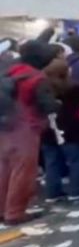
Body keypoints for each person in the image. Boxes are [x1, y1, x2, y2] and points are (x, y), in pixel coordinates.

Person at [0, 41, 60, 224]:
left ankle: (2, 209)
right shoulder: (36, 77)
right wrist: (58, 104)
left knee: (4, 169)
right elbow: (47, 105)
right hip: (25, 128)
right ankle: (15, 212)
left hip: (4, 127)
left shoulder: (8, 70)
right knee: (23, 171)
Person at [41, 59, 79, 202]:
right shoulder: (77, 88)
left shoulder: (42, 88)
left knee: (51, 163)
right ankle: (76, 191)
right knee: (76, 161)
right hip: (71, 131)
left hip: (48, 130)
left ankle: (53, 192)